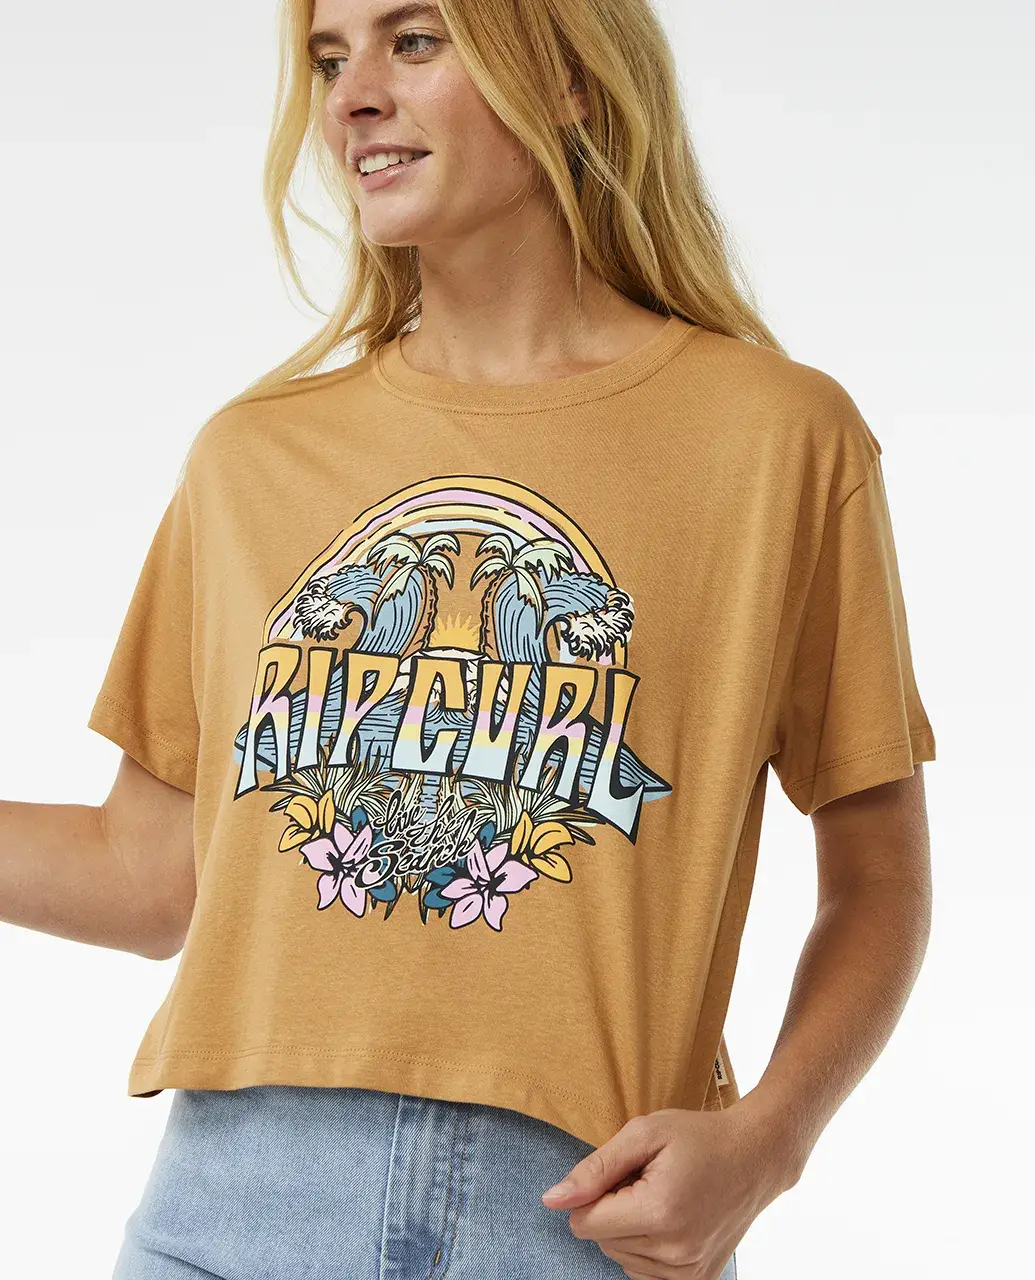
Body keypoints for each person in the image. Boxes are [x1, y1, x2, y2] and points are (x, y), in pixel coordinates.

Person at [1, 1, 937, 1277]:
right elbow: (148, 871)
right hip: (233, 1211)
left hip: (582, 1218)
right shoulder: (251, 457)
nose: (351, 96)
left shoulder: (777, 442)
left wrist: (772, 1138)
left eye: (415, 40)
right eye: (329, 58)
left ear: (568, 79)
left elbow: (878, 876)